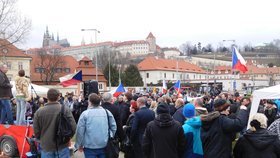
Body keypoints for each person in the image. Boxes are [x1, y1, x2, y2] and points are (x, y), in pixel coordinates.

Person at [33, 88, 76, 157]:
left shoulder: (39, 112)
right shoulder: (65, 109)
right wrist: (68, 138)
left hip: (47, 145)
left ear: (46, 97)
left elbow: (36, 131)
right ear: (59, 97)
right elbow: (73, 127)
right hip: (62, 144)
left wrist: (41, 139)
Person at [75, 93, 117, 158]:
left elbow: (80, 131)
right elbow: (113, 127)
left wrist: (79, 144)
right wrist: (110, 136)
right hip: (103, 144)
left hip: (91, 146)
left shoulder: (85, 114)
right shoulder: (106, 112)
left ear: (90, 102)